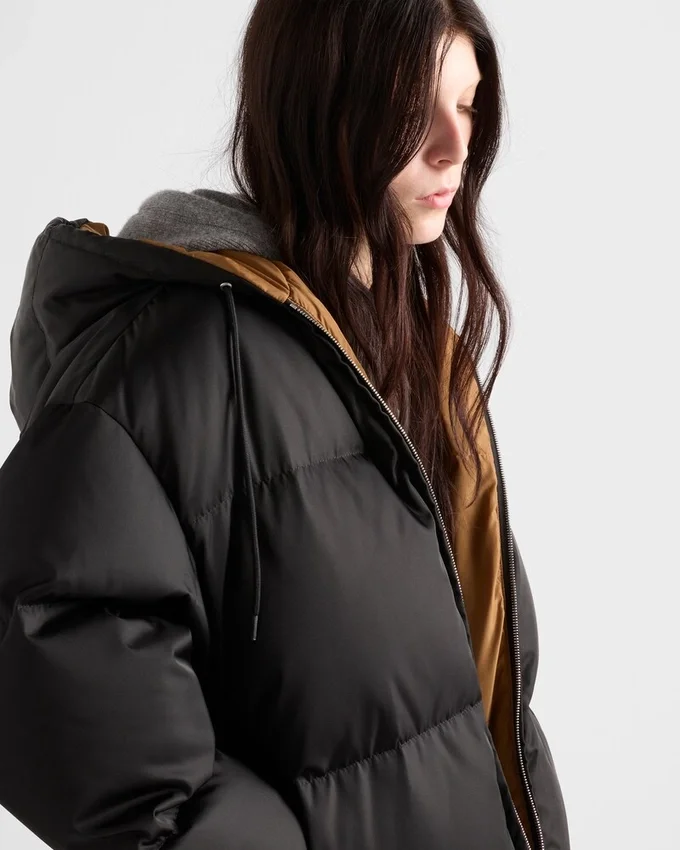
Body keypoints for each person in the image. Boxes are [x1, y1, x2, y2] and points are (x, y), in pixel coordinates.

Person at [0, 1, 571, 849]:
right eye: (415, 109)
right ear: (319, 105)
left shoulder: (415, 358)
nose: (455, 145)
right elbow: (69, 682)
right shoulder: (168, 364)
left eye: (468, 104)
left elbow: (486, 710)